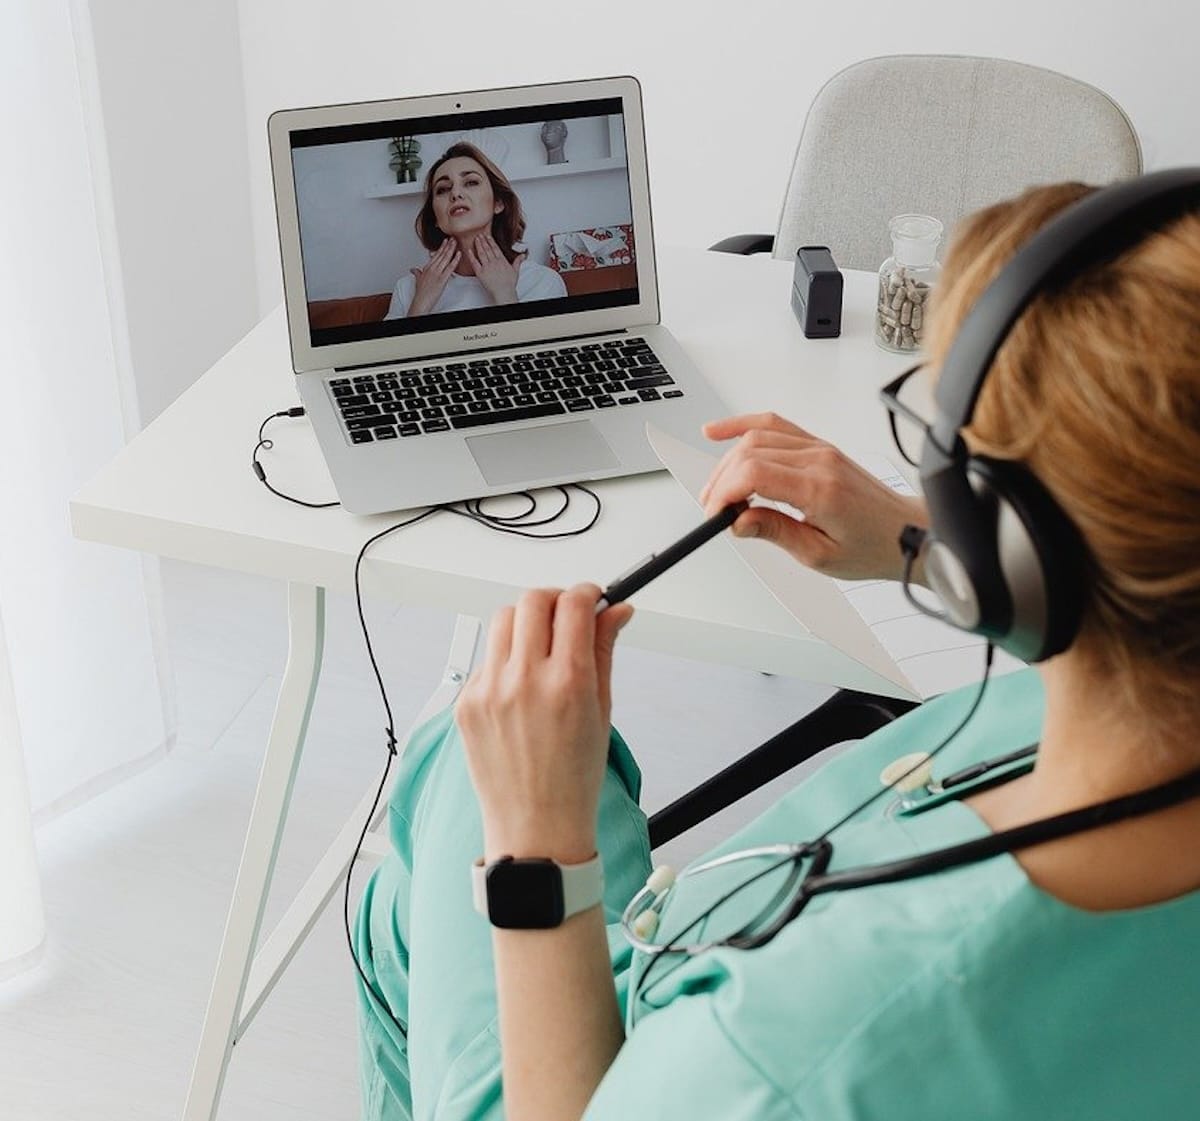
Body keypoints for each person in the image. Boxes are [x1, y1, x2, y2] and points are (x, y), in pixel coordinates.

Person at [354, 180, 1200, 1120]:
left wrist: (537, 851)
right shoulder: (1149, 681)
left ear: (1023, 548)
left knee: (454, 792)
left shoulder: (788, 1052)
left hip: (623, 1061)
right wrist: (924, 543)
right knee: (407, 902)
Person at [384, 141, 566, 319]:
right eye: (443, 189)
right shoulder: (408, 289)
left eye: (471, 182)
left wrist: (506, 297)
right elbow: (391, 350)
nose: (456, 194)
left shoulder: (542, 282)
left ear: (498, 203)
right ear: (435, 218)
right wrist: (420, 305)